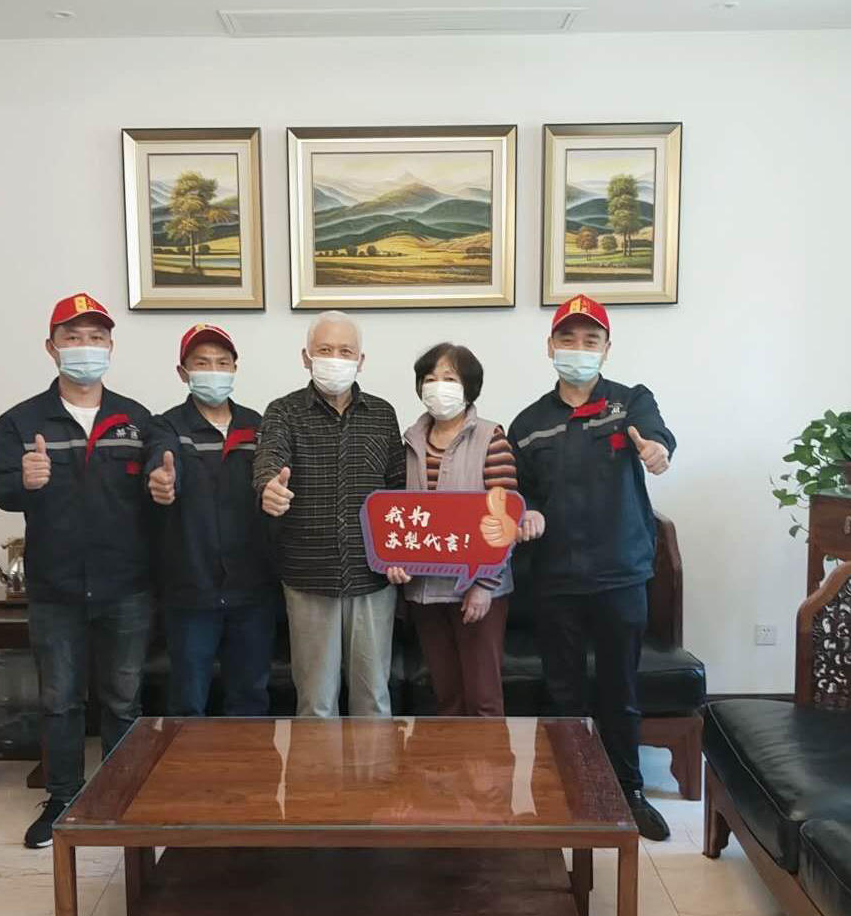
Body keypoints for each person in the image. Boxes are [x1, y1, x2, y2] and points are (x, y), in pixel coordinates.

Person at [0, 292, 158, 849]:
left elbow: (158, 491)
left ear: (110, 346)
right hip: (55, 587)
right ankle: (63, 798)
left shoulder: (136, 419)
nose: (86, 347)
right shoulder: (20, 421)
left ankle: (121, 795)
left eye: (96, 337)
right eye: (73, 337)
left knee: (123, 698)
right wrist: (23, 481)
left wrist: (164, 488)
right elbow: (0, 489)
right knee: (59, 700)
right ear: (51, 347)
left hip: (126, 584)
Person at [507, 294, 676, 841]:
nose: (578, 349)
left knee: (619, 690)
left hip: (621, 573)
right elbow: (519, 496)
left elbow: (657, 436)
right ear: (550, 346)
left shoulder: (631, 402)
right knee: (563, 692)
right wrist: (527, 512)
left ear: (605, 349)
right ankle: (572, 790)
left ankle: (629, 792)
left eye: (590, 340)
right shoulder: (528, 424)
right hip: (555, 578)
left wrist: (657, 450)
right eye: (568, 338)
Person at [252, 311, 405, 716]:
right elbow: (270, 459)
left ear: (360, 360)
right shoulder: (283, 411)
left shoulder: (383, 414)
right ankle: (318, 765)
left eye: (345, 351)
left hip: (372, 576)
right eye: (325, 350)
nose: (335, 359)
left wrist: (401, 554)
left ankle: (372, 764)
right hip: (308, 576)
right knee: (316, 703)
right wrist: (269, 487)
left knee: (374, 699)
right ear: (306, 357)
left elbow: (399, 490)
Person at [385, 343, 544, 716]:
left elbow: (505, 518)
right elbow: (396, 514)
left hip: (477, 589)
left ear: (469, 387)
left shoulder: (492, 439)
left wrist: (485, 584)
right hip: (424, 590)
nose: (438, 386)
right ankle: (453, 757)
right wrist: (393, 559)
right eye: (430, 378)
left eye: (449, 378)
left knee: (483, 699)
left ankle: (490, 759)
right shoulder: (408, 442)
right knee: (446, 698)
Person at [144, 324, 278, 717]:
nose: (213, 371)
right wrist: (161, 480)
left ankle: (249, 761)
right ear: (183, 372)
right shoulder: (166, 425)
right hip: (191, 589)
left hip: (253, 587)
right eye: (202, 363)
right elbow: (160, 460)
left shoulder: (258, 425)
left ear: (235, 368)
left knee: (251, 696)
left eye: (222, 362)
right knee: (188, 699)